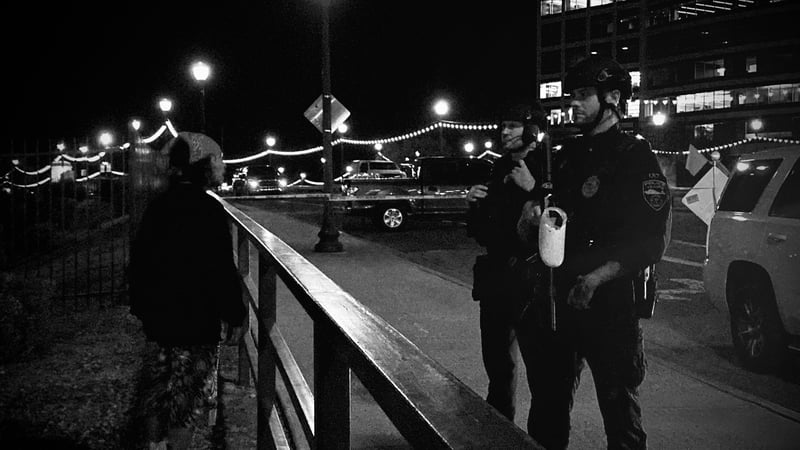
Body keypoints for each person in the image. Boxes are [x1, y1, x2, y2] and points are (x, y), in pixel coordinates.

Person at [518, 56, 672, 449]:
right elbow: (540, 216)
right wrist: (532, 217)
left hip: (610, 303)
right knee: (548, 411)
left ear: (613, 98)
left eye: (585, 95)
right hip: (559, 299)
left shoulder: (635, 157)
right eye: (574, 95)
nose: (575, 103)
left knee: (620, 414)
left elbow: (651, 240)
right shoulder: (565, 156)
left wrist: (598, 276)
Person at [129, 132, 245, 450]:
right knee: (187, 401)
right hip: (197, 322)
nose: (222, 167)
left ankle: (155, 446)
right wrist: (235, 313)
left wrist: (141, 307)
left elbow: (139, 261)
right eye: (218, 161)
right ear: (202, 165)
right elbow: (221, 268)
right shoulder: (208, 210)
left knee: (159, 391)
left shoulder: (158, 207)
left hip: (159, 320)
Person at [466, 102, 548, 430]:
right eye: (503, 126)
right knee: (498, 368)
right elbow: (481, 231)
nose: (505, 132)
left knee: (542, 373)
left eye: (513, 126)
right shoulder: (497, 167)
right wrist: (472, 205)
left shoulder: (548, 164)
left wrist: (536, 188)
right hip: (496, 279)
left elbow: (566, 219)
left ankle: (540, 439)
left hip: (533, 282)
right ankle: (499, 434)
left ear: (531, 129)